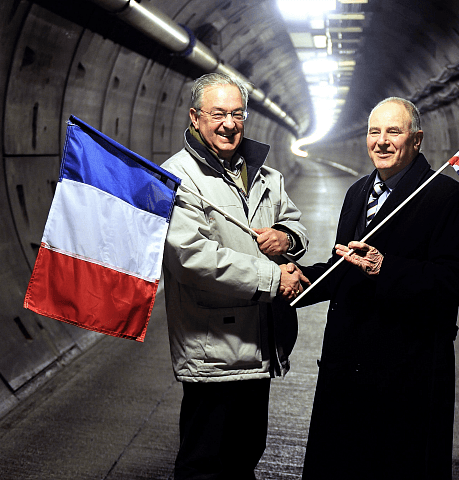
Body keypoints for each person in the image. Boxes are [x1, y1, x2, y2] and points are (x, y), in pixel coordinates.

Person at [297, 97, 459, 479]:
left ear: (417, 140)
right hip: (347, 364)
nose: (381, 141)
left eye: (393, 132)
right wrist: (298, 282)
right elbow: (345, 267)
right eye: (374, 131)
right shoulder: (357, 192)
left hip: (408, 372)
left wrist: (388, 268)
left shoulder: (446, 198)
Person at [161, 72, 309, 480]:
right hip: (214, 346)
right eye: (218, 114)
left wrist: (287, 237)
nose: (230, 123)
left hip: (259, 341)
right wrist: (273, 278)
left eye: (238, 114)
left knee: (245, 453)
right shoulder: (178, 177)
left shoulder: (265, 175)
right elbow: (190, 257)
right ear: (194, 117)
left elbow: (294, 223)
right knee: (204, 462)